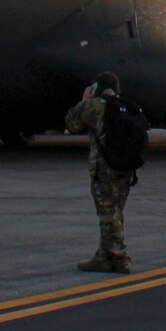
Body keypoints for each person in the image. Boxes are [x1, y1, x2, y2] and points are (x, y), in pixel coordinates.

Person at [64, 71, 134, 273]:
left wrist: (84, 100)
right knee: (116, 212)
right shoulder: (126, 105)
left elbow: (71, 122)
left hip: (104, 169)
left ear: (97, 88)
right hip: (125, 168)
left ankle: (121, 256)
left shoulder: (95, 106)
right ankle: (104, 255)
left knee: (107, 213)